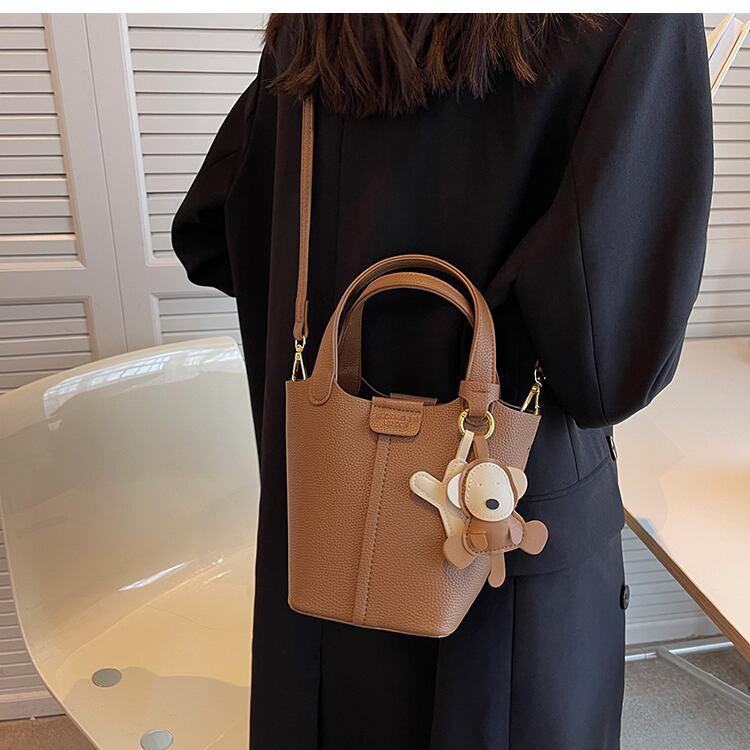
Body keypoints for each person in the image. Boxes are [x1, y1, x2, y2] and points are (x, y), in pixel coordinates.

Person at [171, 13, 713, 750]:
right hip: (504, 533)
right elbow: (610, 369)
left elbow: (211, 235)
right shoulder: (635, 22)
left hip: (329, 511)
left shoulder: (315, 25)